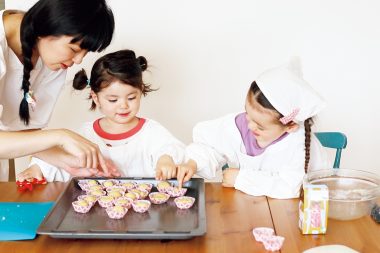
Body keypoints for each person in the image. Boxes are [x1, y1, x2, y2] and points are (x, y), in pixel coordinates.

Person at [17, 49, 185, 182]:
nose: (124, 105)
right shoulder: (86, 133)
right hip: (95, 214)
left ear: (141, 91)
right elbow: (64, 161)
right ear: (96, 98)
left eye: (132, 97)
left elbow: (172, 150)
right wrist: (37, 169)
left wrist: (166, 160)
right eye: (113, 100)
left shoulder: (151, 132)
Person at [0, 0, 117, 180]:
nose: (77, 61)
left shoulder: (51, 61)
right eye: (73, 49)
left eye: (84, 53)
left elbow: (24, 133)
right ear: (45, 27)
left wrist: (71, 163)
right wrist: (61, 136)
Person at [179, 59, 329, 199]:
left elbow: (289, 187)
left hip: (288, 213)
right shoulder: (239, 125)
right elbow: (211, 147)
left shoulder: (297, 144)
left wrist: (241, 179)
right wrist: (193, 163)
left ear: (290, 126)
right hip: (247, 206)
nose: (250, 126)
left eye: (260, 127)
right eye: (248, 114)